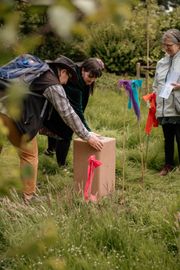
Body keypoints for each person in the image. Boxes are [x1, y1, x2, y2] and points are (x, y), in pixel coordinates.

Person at [0, 54, 103, 203]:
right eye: (68, 77)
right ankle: (29, 196)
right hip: (10, 114)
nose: (67, 82)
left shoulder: (38, 69)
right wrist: (87, 136)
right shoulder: (52, 83)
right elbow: (67, 112)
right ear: (62, 72)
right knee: (29, 155)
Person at [43, 57, 104, 166]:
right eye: (90, 76)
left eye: (95, 78)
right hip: (61, 105)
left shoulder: (83, 71)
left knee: (58, 128)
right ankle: (61, 165)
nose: (92, 80)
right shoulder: (72, 80)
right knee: (66, 132)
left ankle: (50, 151)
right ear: (83, 70)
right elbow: (77, 111)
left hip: (65, 105)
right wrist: (87, 132)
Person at [153, 29, 180, 176]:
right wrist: (154, 96)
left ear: (179, 44)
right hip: (164, 107)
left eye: (169, 45)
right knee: (168, 139)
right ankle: (168, 166)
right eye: (165, 45)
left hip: (178, 107)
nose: (166, 48)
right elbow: (156, 84)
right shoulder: (161, 62)